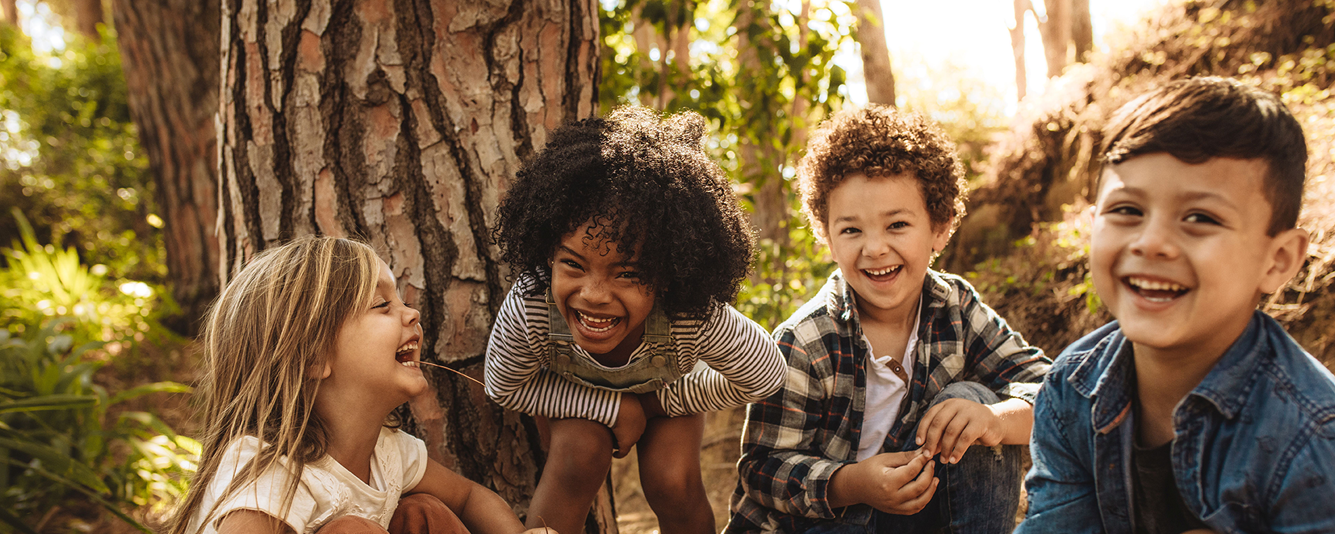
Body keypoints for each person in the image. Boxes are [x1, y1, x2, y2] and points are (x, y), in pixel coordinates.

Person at [1018, 76, 1335, 533]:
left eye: (1200, 218)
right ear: (1092, 226)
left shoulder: (1312, 433)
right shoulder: (1072, 387)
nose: (1151, 242)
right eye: (1127, 210)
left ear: (1277, 260)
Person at [727, 105, 1052, 534]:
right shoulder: (804, 341)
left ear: (940, 228)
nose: (875, 248)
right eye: (851, 230)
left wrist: (995, 419)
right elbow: (761, 468)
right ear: (826, 237)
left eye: (897, 224)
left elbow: (1054, 393)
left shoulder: (955, 308)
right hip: (819, 524)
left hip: (917, 517)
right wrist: (852, 484)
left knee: (973, 400)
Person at [484, 106, 786, 534]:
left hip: (668, 394)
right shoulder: (532, 303)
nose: (593, 294)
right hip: (575, 400)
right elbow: (504, 386)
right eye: (572, 264)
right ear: (548, 251)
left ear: (667, 276)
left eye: (627, 273)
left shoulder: (690, 316)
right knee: (578, 454)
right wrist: (611, 406)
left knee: (672, 481)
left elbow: (765, 374)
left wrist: (654, 402)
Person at [165, 237, 549, 534]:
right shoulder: (268, 469)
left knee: (423, 513)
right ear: (314, 356)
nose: (412, 312)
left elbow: (468, 496)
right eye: (382, 305)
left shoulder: (388, 452)